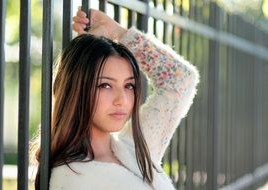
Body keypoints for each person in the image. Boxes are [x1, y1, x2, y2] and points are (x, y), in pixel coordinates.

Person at [34, 8, 199, 190]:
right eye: (105, 85)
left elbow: (180, 80)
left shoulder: (134, 149)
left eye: (129, 86)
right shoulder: (72, 178)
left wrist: (118, 33)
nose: (122, 100)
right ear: (77, 89)